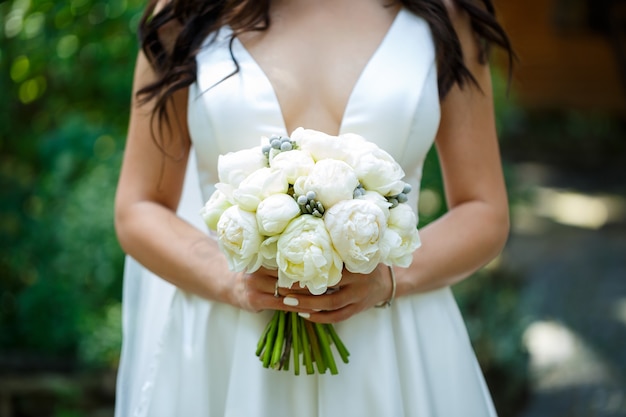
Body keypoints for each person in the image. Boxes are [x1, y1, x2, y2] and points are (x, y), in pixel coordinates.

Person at [113, 0, 514, 415]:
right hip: (229, 351)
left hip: (392, 343)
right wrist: (229, 280)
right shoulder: (187, 11)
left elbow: (484, 209)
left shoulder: (446, 13)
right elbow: (138, 207)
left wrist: (388, 278)